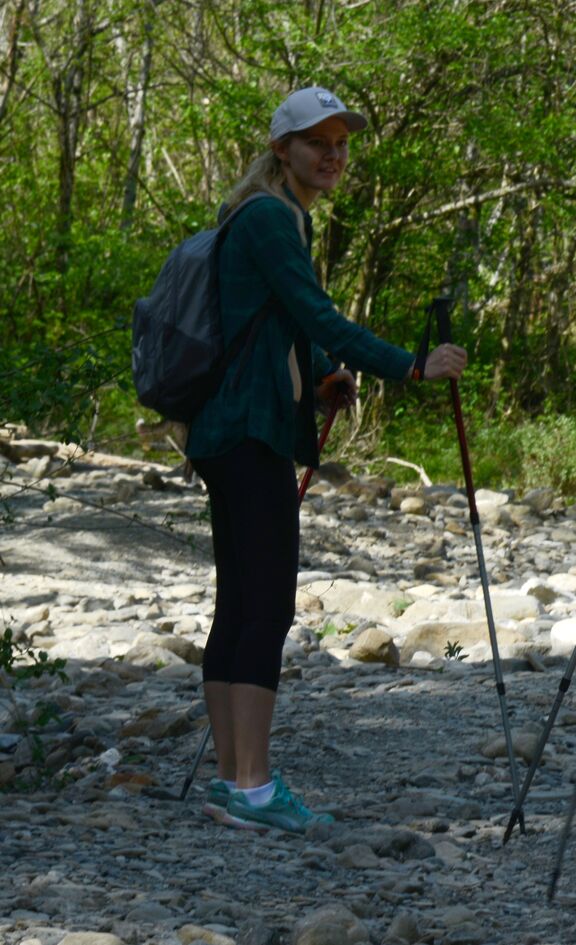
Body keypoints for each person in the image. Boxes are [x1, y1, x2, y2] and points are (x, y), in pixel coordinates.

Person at [184, 86, 468, 834]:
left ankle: (227, 779)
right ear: (284, 149)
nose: (334, 154)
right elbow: (315, 311)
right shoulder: (274, 218)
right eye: (318, 142)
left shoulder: (263, 214)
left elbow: (281, 322)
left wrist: (319, 381)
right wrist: (410, 365)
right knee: (268, 604)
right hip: (249, 432)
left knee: (239, 602)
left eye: (342, 142)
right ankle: (251, 785)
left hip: (229, 428)